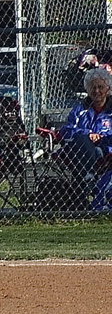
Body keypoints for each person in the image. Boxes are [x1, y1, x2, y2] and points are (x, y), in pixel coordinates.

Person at [60, 66, 112, 208]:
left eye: (100, 87)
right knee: (83, 140)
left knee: (98, 151)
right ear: (88, 89)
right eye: (93, 87)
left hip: (107, 150)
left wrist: (102, 137)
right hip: (82, 151)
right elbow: (67, 129)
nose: (97, 91)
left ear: (108, 89)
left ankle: (92, 192)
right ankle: (86, 180)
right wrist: (88, 134)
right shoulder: (80, 109)